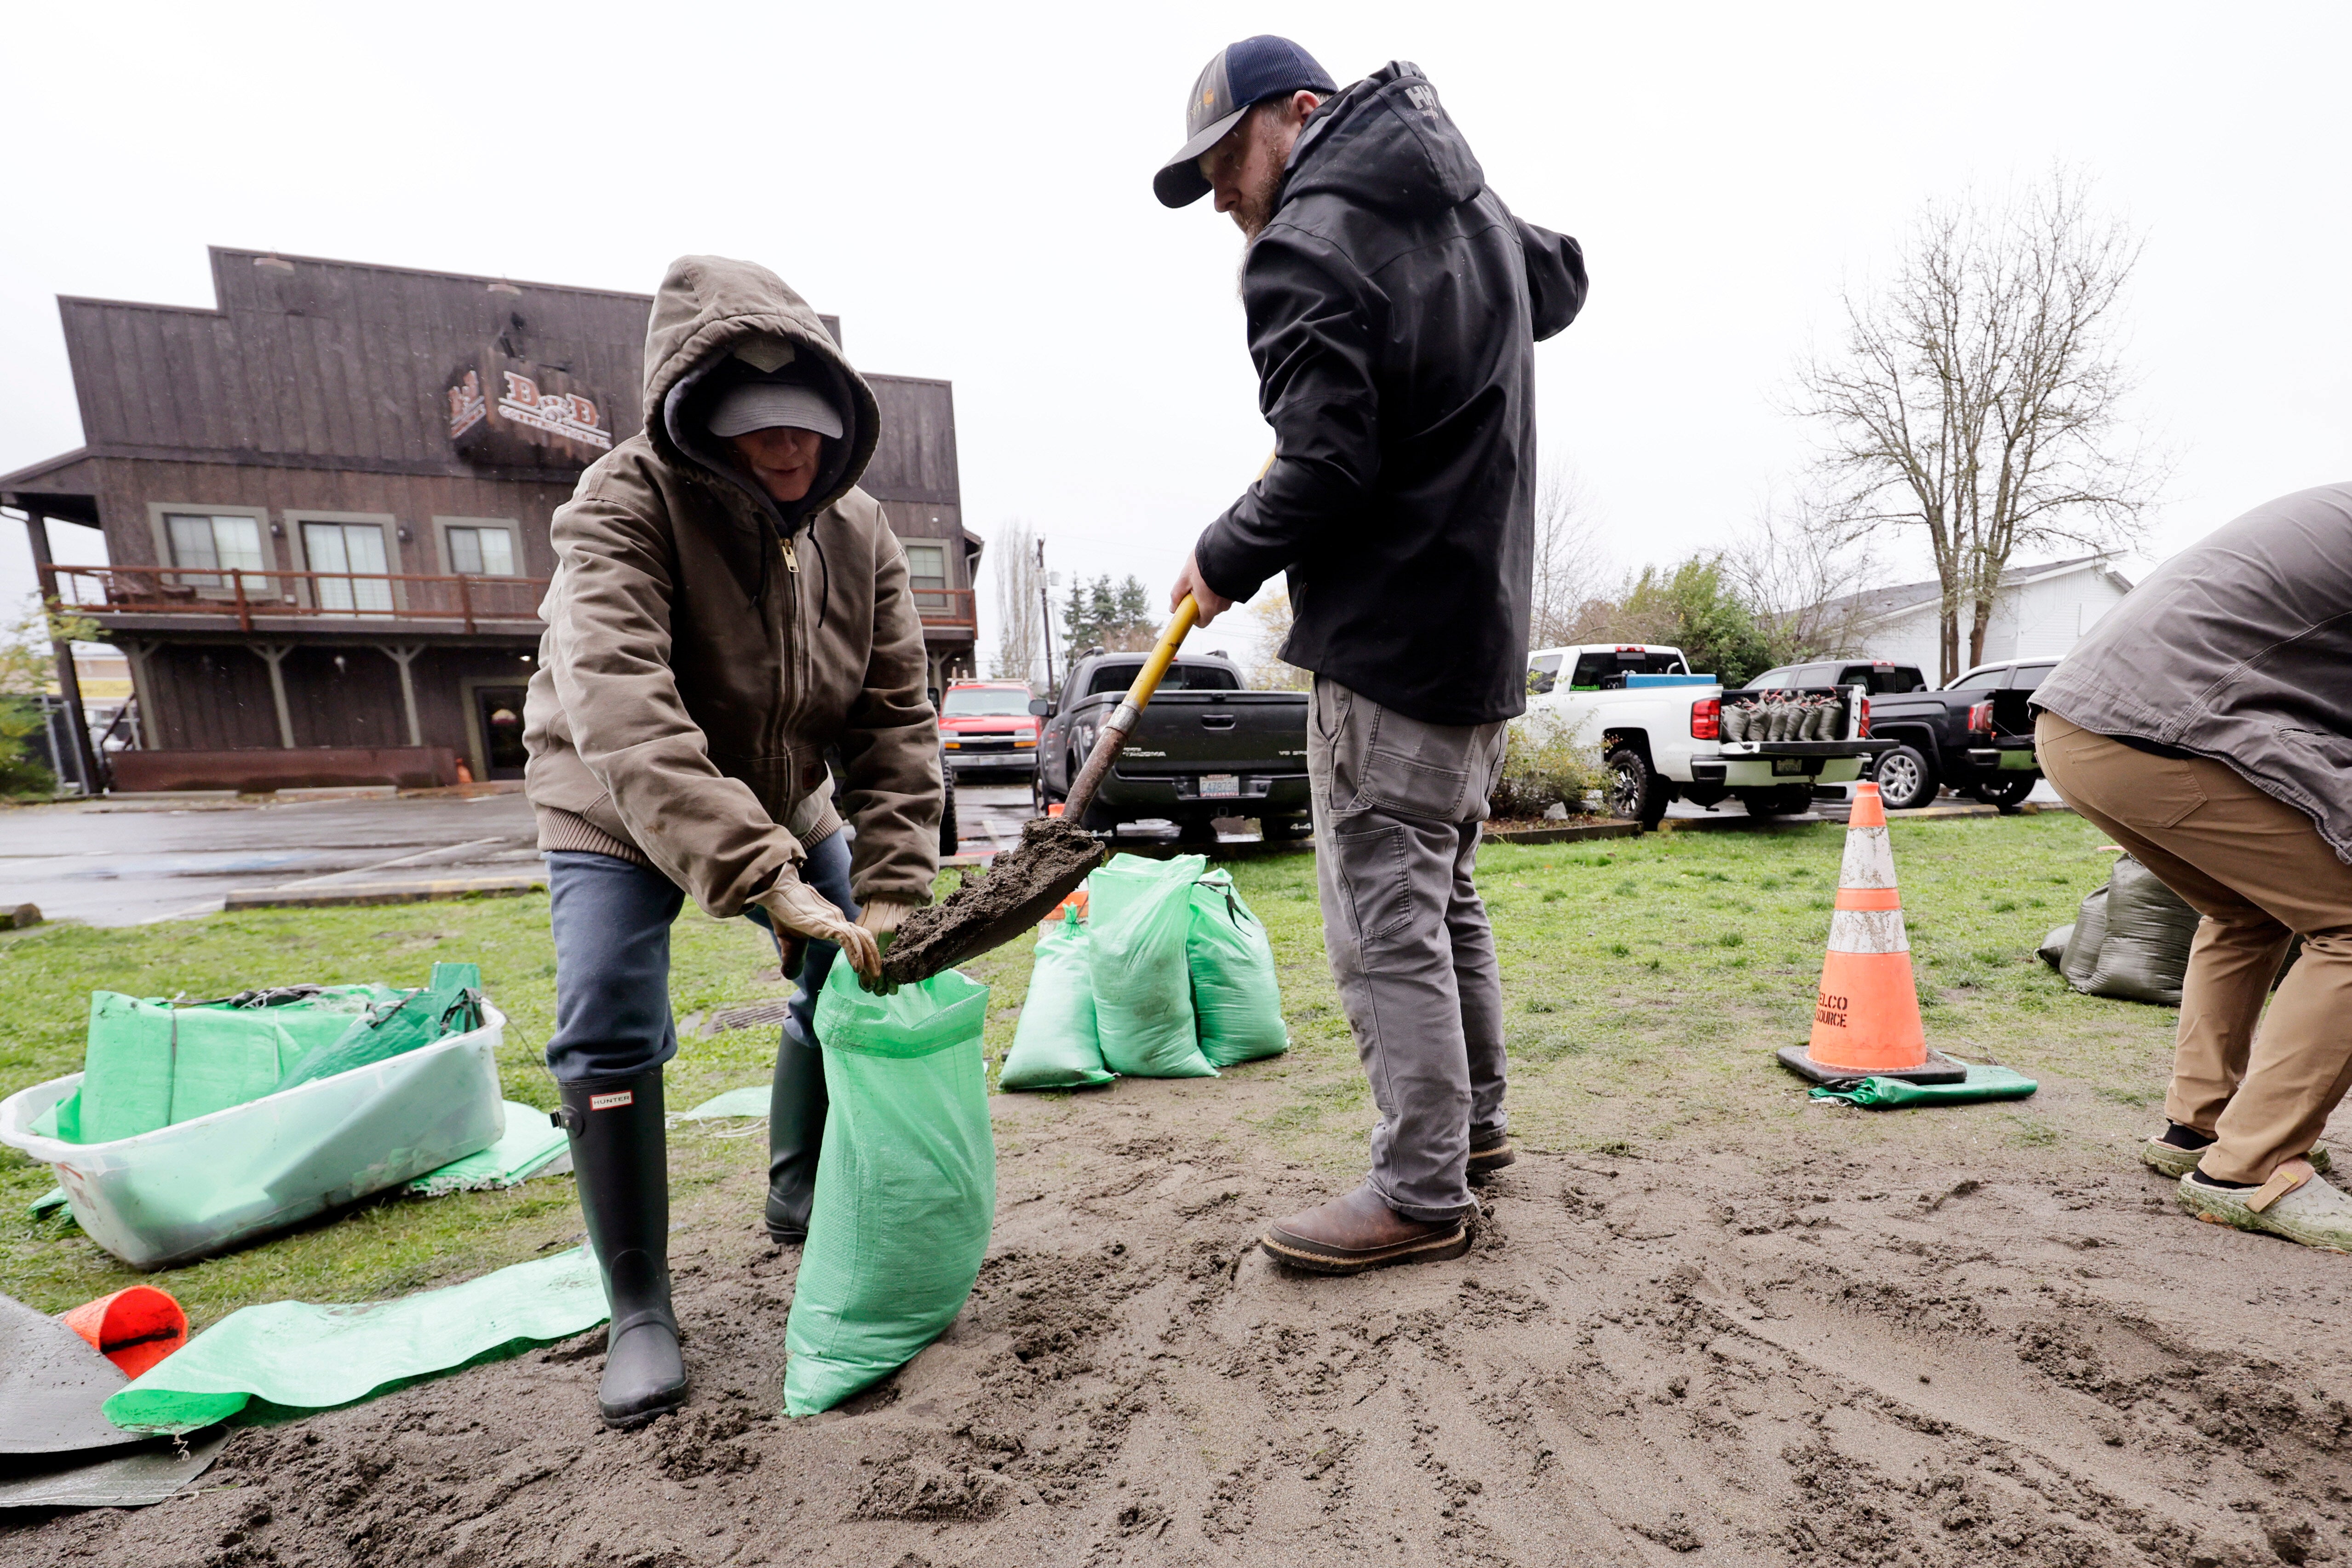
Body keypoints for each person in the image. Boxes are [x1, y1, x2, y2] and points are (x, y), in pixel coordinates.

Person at [1155, 38, 1588, 1273]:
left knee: (1385, 914)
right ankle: (1473, 1132)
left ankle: (1419, 1186)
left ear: (1298, 116)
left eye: (1227, 163)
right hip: (1482, 629)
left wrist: (1221, 554)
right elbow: (1563, 281)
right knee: (1441, 893)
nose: (1227, 201)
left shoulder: (1306, 247)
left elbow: (1329, 467)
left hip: (1393, 639)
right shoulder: (1472, 209)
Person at [524, 255, 941, 1425]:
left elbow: (895, 721)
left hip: (787, 791)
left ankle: (799, 1189)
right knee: (607, 1008)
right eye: (757, 432)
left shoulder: (862, 534)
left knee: (851, 957)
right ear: (697, 418)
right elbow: (619, 702)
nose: (786, 451)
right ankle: (641, 1304)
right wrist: (759, 877)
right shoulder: (620, 507)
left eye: (805, 429)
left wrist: (897, 885)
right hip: (611, 796)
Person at [2031, 483, 2352, 1250]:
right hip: (2160, 734)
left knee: (2248, 911)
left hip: (2078, 729)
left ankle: (2196, 1128)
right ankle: (2249, 1169)